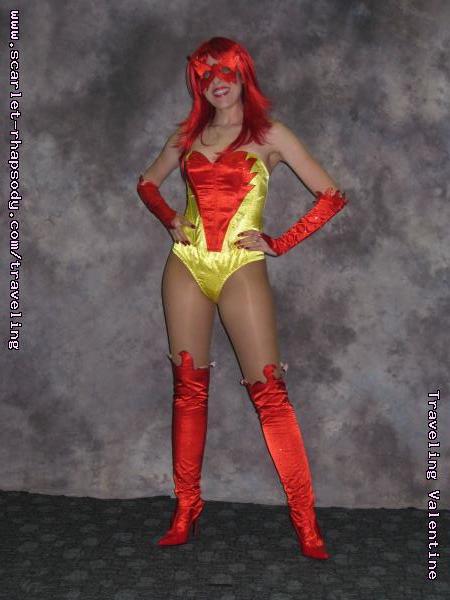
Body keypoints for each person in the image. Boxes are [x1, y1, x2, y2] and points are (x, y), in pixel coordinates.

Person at [136, 36, 348, 560]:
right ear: (198, 83)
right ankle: (186, 507)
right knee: (188, 389)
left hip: (240, 268)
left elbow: (331, 195)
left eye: (226, 71)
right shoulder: (187, 135)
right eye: (206, 75)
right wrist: (170, 218)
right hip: (187, 266)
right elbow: (147, 183)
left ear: (243, 74)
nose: (218, 82)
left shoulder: (270, 134)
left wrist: (280, 242)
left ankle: (306, 522)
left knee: (270, 393)